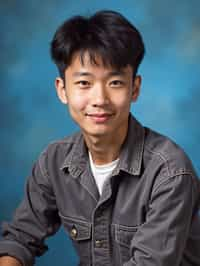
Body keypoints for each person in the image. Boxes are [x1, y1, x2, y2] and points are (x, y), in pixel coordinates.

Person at [0, 9, 200, 266]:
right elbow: (20, 238)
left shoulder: (170, 172)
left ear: (134, 88)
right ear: (62, 90)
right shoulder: (54, 161)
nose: (100, 100)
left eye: (115, 82)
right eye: (84, 83)